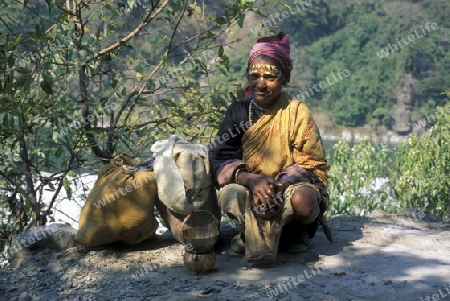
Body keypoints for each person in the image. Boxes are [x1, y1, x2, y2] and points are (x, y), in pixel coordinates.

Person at [208, 32, 331, 263]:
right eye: (254, 76)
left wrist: (280, 185)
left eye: (270, 77)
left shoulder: (296, 112)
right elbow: (219, 157)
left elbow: (312, 164)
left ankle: (293, 233)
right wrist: (251, 180)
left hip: (289, 186)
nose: (260, 84)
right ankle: (249, 231)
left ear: (285, 77)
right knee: (231, 194)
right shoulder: (238, 112)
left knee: (304, 201)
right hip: (250, 186)